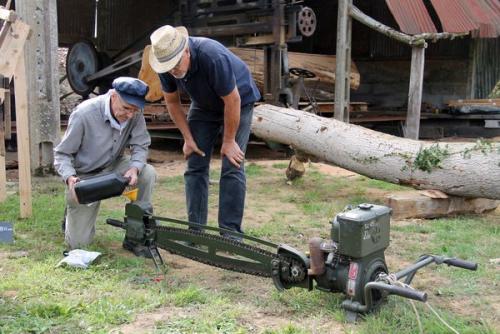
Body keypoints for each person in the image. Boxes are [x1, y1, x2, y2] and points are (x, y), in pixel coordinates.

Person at [149, 25, 261, 239]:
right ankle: (196, 232)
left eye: (176, 65)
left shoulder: (212, 56)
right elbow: (172, 102)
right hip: (203, 104)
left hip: (239, 100)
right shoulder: (164, 64)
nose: (173, 71)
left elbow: (232, 100)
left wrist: (228, 141)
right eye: (168, 67)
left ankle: (230, 235)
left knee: (232, 164)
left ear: (186, 51)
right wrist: (188, 138)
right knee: (195, 164)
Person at [54, 77, 157, 250]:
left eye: (135, 110)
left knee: (147, 173)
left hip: (115, 166)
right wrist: (70, 178)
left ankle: (135, 237)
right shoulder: (84, 114)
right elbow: (62, 154)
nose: (130, 114)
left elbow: (141, 144)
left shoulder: (134, 113)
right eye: (126, 108)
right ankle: (71, 213)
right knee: (78, 245)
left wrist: (134, 167)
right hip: (85, 177)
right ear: (114, 96)